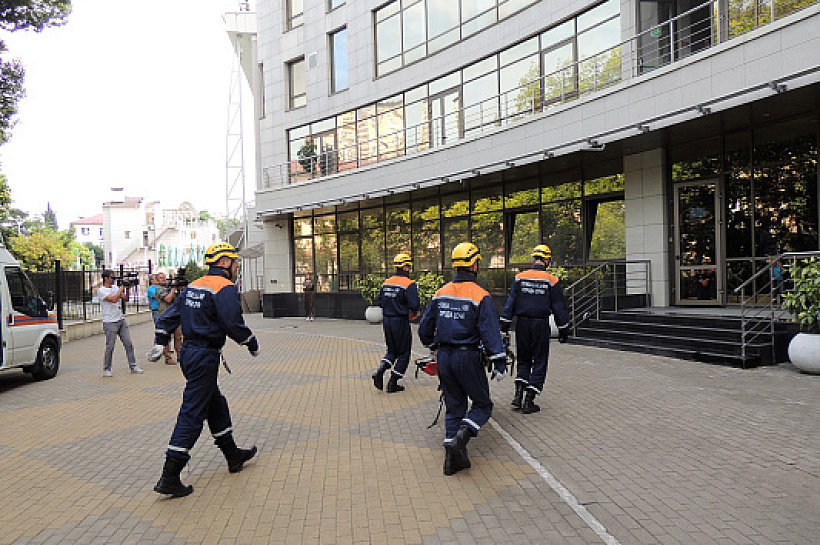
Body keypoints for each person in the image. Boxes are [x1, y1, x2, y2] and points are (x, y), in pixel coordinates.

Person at [148, 242, 259, 498]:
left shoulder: (194, 285)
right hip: (205, 355)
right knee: (192, 412)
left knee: (215, 403)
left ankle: (232, 455)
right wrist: (250, 342)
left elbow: (171, 315)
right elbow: (232, 323)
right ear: (224, 262)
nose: (237, 266)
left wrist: (160, 340)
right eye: (235, 262)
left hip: (189, 353)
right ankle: (170, 476)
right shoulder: (225, 287)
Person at [418, 242, 507, 476]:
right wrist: (499, 362)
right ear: (474, 265)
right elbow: (490, 332)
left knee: (454, 406)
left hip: (444, 357)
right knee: (482, 405)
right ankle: (462, 436)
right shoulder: (480, 295)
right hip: (467, 357)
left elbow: (424, 329)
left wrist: (432, 344)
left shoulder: (440, 293)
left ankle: (451, 461)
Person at [500, 244, 569, 415]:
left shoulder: (520, 278)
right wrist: (563, 329)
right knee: (539, 361)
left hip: (521, 324)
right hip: (540, 324)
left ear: (533, 259)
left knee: (523, 359)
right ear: (547, 260)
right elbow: (559, 307)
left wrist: (504, 326)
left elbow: (510, 303)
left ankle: (518, 395)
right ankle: (529, 400)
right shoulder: (552, 280)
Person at [372, 253, 420, 393]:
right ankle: (393, 382)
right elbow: (414, 305)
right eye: (409, 266)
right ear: (405, 267)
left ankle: (381, 370)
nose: (409, 269)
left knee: (392, 351)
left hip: (387, 320)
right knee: (404, 353)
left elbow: (380, 302)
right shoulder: (409, 284)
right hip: (400, 321)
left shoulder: (386, 282)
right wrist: (413, 312)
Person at [98, 270, 143, 377]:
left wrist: (127, 288)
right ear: (106, 278)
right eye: (112, 277)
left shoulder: (115, 288)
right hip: (110, 322)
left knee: (129, 344)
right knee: (110, 346)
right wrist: (122, 287)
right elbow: (113, 299)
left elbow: (125, 298)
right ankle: (106, 369)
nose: (114, 279)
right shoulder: (101, 290)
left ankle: (133, 366)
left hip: (120, 319)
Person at [155, 272, 183, 365]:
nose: (164, 279)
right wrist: (173, 288)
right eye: (161, 278)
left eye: (164, 277)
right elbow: (168, 299)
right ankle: (168, 358)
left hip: (175, 316)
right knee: (166, 338)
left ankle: (180, 355)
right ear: (157, 281)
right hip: (165, 317)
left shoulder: (170, 288)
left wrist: (180, 288)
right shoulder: (159, 289)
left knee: (178, 337)